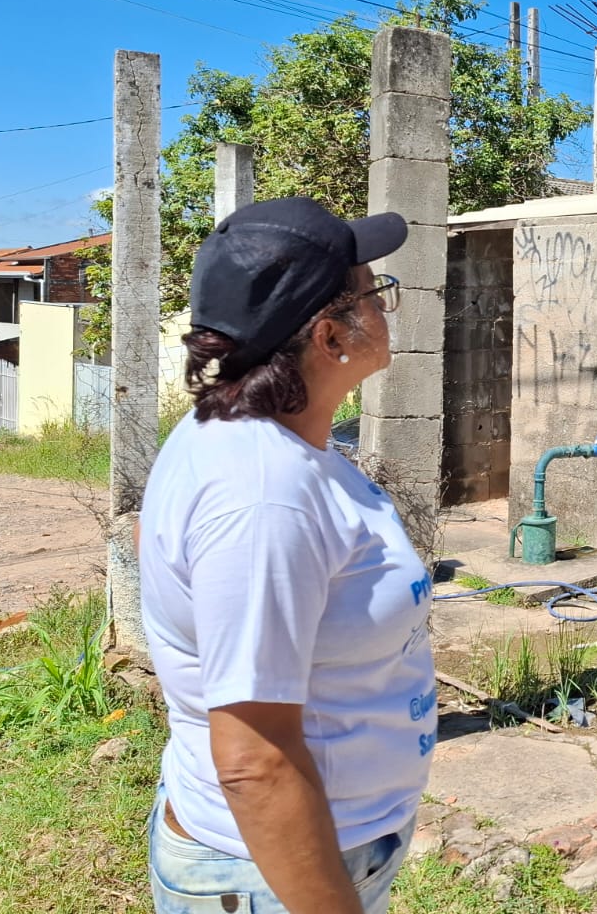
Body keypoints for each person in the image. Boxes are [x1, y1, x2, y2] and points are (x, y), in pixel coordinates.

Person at [138, 196, 437, 914]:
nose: (386, 307)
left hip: (315, 855)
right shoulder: (263, 496)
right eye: (374, 293)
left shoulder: (262, 438)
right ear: (330, 336)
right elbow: (255, 760)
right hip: (273, 878)